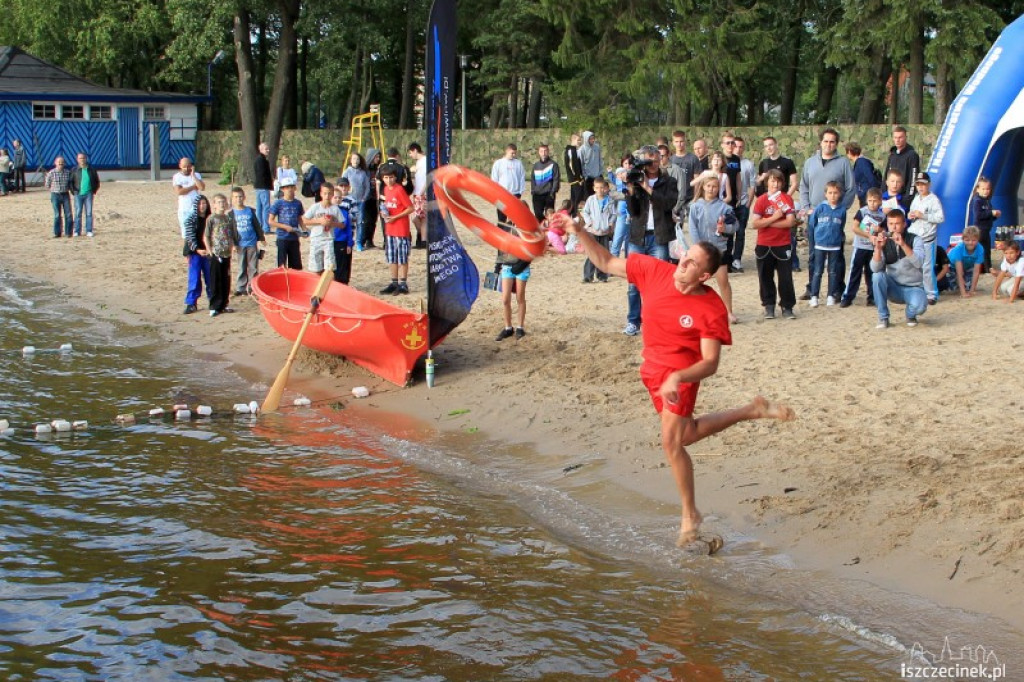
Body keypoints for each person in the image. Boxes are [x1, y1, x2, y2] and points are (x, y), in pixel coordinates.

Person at [564, 216, 795, 546]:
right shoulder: (653, 270)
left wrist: (677, 376)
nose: (681, 262)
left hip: (681, 376)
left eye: (690, 263)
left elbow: (710, 363)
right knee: (686, 434)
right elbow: (604, 260)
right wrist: (580, 232)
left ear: (703, 276)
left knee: (671, 443)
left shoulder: (709, 307)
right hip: (652, 371)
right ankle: (752, 410)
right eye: (684, 256)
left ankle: (690, 515)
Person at [623, 145, 679, 336]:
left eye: (656, 160)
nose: (653, 164)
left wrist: (647, 187)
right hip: (638, 236)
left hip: (659, 236)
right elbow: (633, 211)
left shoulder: (669, 181)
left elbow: (667, 204)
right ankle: (633, 321)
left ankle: (657, 321)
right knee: (633, 283)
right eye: (649, 160)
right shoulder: (637, 179)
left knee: (659, 283)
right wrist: (631, 189)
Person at [798, 128, 855, 299]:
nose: (828, 144)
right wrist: (806, 207)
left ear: (836, 144)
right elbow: (803, 186)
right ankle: (811, 288)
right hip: (815, 215)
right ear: (820, 142)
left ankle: (837, 289)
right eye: (826, 141)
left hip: (835, 217)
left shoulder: (843, 163)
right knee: (814, 253)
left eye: (832, 141)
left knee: (836, 253)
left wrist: (840, 209)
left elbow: (850, 188)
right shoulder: (810, 162)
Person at [689, 176, 738, 322]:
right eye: (709, 186)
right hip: (702, 250)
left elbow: (735, 226)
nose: (711, 189)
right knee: (696, 282)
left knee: (723, 281)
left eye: (714, 186)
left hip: (719, 249)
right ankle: (696, 312)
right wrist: (698, 247)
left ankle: (728, 311)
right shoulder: (695, 206)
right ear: (703, 187)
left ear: (719, 189)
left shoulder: (725, 208)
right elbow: (692, 227)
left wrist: (726, 228)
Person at [750, 169, 797, 319]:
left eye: (777, 181)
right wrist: (775, 218)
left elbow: (790, 222)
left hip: (782, 243)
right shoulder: (762, 200)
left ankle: (787, 306)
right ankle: (769, 305)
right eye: (772, 181)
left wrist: (768, 223)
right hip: (764, 244)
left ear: (782, 183)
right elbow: (755, 223)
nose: (775, 184)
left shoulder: (787, 199)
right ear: (767, 183)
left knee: (785, 278)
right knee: (765, 277)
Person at [870, 209, 928, 329]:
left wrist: (903, 244)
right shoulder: (885, 242)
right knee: (877, 276)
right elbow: (875, 268)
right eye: (891, 224)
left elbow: (919, 263)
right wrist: (878, 249)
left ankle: (910, 314)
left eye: (897, 224)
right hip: (894, 287)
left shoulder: (915, 239)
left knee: (920, 307)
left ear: (904, 224)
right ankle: (883, 317)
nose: (894, 228)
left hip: (914, 287)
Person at [840, 187, 884, 307]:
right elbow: (855, 227)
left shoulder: (882, 216)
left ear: (880, 201)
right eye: (870, 200)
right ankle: (848, 296)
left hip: (873, 249)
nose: (872, 203)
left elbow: (884, 231)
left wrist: (879, 230)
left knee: (871, 273)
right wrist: (868, 235)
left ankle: (872, 297)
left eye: (875, 201)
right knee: (855, 272)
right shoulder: (862, 212)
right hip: (860, 246)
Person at [806, 181, 847, 308]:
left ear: (839, 194)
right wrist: (814, 241)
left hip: (834, 245)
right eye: (830, 193)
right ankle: (814, 296)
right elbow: (812, 224)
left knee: (833, 271)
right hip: (820, 244)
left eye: (835, 193)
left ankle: (831, 295)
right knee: (817, 271)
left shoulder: (842, 210)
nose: (833, 195)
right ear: (825, 194)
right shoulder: (820, 208)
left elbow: (842, 225)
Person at [907, 171, 944, 304]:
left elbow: (940, 218)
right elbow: (911, 213)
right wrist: (911, 216)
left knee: (927, 267)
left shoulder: (933, 200)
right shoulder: (916, 198)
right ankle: (917, 290)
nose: (921, 187)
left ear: (928, 184)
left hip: (928, 238)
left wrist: (924, 216)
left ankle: (931, 294)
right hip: (916, 236)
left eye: (923, 184)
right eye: (918, 184)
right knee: (915, 265)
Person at [379, 168, 414, 295]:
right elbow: (387, 206)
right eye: (386, 178)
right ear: (383, 179)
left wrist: (396, 217)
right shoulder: (386, 190)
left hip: (401, 228)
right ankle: (394, 282)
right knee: (392, 256)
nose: (389, 180)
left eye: (391, 177)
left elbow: (410, 208)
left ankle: (403, 283)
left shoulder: (399, 190)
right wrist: (384, 213)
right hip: (390, 229)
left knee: (402, 257)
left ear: (395, 177)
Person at [204, 194, 240, 317]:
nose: (222, 204)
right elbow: (207, 236)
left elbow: (233, 234)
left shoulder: (228, 218)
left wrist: (234, 245)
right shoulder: (211, 219)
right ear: (214, 205)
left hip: (226, 253)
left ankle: (224, 303)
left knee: (226, 279)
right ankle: (214, 306)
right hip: (216, 253)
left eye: (223, 202)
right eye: (219, 202)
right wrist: (209, 250)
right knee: (215, 280)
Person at [230, 186, 265, 297]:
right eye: (235, 197)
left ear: (244, 197)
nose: (238, 199)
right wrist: (233, 244)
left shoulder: (250, 211)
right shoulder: (231, 214)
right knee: (241, 266)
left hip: (252, 243)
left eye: (240, 196)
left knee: (253, 266)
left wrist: (261, 238)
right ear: (232, 198)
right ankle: (241, 287)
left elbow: (256, 225)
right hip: (239, 244)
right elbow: (230, 230)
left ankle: (252, 287)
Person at [580, 177, 617, 282]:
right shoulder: (591, 200)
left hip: (604, 231)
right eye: (597, 188)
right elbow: (585, 211)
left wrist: (610, 223)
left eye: (602, 187)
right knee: (592, 254)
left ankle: (602, 275)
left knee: (603, 254)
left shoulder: (609, 200)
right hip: (593, 231)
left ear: (605, 188)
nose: (600, 190)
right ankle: (588, 276)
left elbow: (614, 213)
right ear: (594, 188)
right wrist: (589, 222)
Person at [302, 181, 341, 275]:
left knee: (329, 267)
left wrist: (332, 223)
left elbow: (342, 224)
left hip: (328, 239)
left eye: (329, 193)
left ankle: (328, 286)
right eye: (325, 193)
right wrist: (319, 221)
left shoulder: (335, 209)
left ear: (332, 194)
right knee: (315, 267)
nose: (327, 196)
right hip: (316, 238)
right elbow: (305, 220)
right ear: (321, 194)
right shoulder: (315, 207)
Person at [182, 195, 212, 315]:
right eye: (200, 204)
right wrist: (197, 249)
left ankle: (213, 300)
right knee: (194, 278)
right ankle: (191, 303)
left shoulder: (210, 218)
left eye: (204, 203)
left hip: (208, 252)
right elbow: (190, 238)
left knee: (210, 277)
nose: (202, 206)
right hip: (194, 252)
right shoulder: (190, 219)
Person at [731, 136, 757, 272]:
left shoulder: (748, 164)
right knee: (728, 233)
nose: (738, 149)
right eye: (736, 146)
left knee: (740, 232)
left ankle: (737, 259)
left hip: (743, 203)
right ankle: (728, 258)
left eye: (741, 146)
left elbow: (753, 185)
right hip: (730, 203)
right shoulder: (728, 162)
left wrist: (748, 204)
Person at [267, 177, 304, 270]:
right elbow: (270, 221)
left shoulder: (298, 203)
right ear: (282, 189)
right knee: (282, 266)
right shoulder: (278, 203)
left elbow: (300, 218)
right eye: (287, 187)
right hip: (282, 237)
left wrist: (305, 230)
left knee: (296, 266)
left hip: (294, 237)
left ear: (295, 188)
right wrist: (284, 227)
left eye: (291, 187)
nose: (289, 190)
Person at [495, 249, 530, 341]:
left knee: (520, 298)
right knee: (505, 300)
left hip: (522, 268)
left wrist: (521, 265)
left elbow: (530, 251)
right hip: (506, 267)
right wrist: (497, 267)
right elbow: (500, 250)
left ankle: (520, 327)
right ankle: (508, 328)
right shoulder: (505, 233)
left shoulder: (522, 234)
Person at [969, 177, 1000, 274]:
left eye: (988, 189)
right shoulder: (977, 200)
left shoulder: (987, 201)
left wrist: (995, 216)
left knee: (987, 250)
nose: (986, 191)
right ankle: (977, 268)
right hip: (979, 230)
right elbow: (978, 216)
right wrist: (991, 213)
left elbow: (988, 216)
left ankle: (988, 268)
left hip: (986, 229)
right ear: (978, 189)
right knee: (980, 250)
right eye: (983, 189)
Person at [885, 125, 922, 204]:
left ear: (905, 137)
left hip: (904, 199)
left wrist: (907, 199)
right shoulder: (892, 155)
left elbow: (913, 178)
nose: (897, 140)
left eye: (900, 137)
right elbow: (886, 175)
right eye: (895, 137)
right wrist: (883, 193)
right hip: (889, 198)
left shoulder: (912, 155)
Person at [490, 143, 526, 224]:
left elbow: (522, 178)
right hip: (501, 194)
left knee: (514, 216)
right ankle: (501, 231)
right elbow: (494, 179)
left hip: (515, 193)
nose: (513, 155)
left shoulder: (518, 163)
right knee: (501, 215)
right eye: (512, 153)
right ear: (507, 151)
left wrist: (520, 192)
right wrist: (495, 192)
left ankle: (512, 233)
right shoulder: (498, 163)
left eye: (515, 153)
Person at [341, 152, 370, 250]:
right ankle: (348, 240)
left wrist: (364, 197)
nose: (355, 161)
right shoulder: (347, 171)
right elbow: (342, 184)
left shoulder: (363, 173)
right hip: (349, 201)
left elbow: (367, 186)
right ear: (350, 160)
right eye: (353, 159)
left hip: (360, 201)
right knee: (348, 220)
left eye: (357, 159)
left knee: (360, 222)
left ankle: (359, 242)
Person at [947, 226, 985, 298]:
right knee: (952, 288)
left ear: (978, 240)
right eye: (967, 240)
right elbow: (959, 272)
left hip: (967, 266)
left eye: (973, 240)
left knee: (968, 287)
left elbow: (976, 271)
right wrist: (963, 293)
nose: (970, 243)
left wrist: (972, 290)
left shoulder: (980, 249)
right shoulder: (958, 249)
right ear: (963, 240)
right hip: (951, 267)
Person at [173, 157, 205, 239]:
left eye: (188, 166)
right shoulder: (177, 177)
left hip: (196, 208)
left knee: (198, 231)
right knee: (186, 233)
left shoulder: (197, 175)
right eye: (184, 167)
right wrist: (193, 187)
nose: (186, 169)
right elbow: (179, 192)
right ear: (180, 166)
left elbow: (201, 187)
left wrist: (193, 175)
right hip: (184, 208)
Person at [608, 153, 633, 257]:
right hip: (621, 211)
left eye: (630, 163)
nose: (628, 165)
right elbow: (612, 193)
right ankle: (613, 260)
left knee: (630, 239)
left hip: (634, 212)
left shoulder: (636, 176)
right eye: (625, 163)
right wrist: (626, 195)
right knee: (618, 236)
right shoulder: (618, 178)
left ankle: (629, 261)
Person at [69, 152, 100, 237]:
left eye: (83, 158)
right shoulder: (74, 170)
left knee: (89, 213)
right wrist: (74, 191)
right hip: (78, 194)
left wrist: (93, 191)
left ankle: (89, 230)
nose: (82, 160)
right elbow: (70, 182)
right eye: (80, 158)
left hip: (88, 194)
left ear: (86, 159)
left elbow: (97, 181)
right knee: (78, 212)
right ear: (77, 160)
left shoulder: (91, 169)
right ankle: (77, 231)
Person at [330, 182, 355, 284]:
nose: (337, 200)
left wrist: (349, 243)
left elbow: (349, 229)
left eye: (339, 198)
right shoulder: (326, 211)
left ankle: (343, 284)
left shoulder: (344, 212)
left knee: (343, 265)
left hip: (342, 242)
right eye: (335, 197)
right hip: (330, 241)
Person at [529, 143, 561, 222]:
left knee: (550, 216)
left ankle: (550, 232)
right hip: (537, 194)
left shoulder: (553, 165)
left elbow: (556, 179)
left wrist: (553, 192)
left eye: (545, 151)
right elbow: (533, 179)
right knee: (538, 214)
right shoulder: (535, 165)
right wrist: (533, 190)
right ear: (539, 152)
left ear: (548, 152)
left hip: (548, 194)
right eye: (541, 151)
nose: (543, 153)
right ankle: (542, 229)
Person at [44, 156, 73, 238]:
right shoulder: (51, 173)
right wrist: (53, 190)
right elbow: (47, 184)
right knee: (57, 215)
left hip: (65, 194)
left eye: (62, 162)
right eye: (59, 162)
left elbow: (71, 183)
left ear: (64, 163)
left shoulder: (68, 173)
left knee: (68, 214)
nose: (60, 163)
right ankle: (57, 233)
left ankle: (68, 233)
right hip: (55, 195)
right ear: (55, 163)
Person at [845, 141, 880, 207]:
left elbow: (870, 178)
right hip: (864, 196)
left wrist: (874, 194)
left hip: (868, 196)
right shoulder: (859, 163)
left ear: (849, 152)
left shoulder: (862, 162)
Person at [407, 142, 428, 248]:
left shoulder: (425, 161)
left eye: (410, 153)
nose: (410, 155)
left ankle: (424, 240)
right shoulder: (419, 162)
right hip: (417, 193)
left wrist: (423, 191)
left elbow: (429, 177)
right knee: (417, 218)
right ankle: (423, 237)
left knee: (421, 217)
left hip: (422, 194)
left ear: (415, 150)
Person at [253, 143, 273, 233]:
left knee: (259, 207)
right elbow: (263, 174)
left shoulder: (258, 159)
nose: (268, 150)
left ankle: (259, 226)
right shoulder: (262, 161)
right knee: (266, 207)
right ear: (261, 150)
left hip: (258, 186)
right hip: (263, 186)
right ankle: (265, 227)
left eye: (268, 149)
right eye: (266, 149)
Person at [564, 133, 585, 217]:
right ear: (573, 140)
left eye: (580, 140)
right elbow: (572, 166)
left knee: (573, 199)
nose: (579, 142)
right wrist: (578, 179)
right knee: (578, 199)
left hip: (575, 180)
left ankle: (572, 215)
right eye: (578, 140)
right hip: (576, 180)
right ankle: (576, 216)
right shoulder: (571, 150)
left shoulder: (574, 150)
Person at [580, 131, 603, 199]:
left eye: (593, 138)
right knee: (589, 197)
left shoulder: (597, 147)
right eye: (590, 139)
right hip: (588, 178)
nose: (593, 140)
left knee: (600, 195)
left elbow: (600, 160)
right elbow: (581, 164)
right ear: (586, 139)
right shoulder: (582, 150)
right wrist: (585, 176)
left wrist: (600, 172)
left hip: (598, 176)